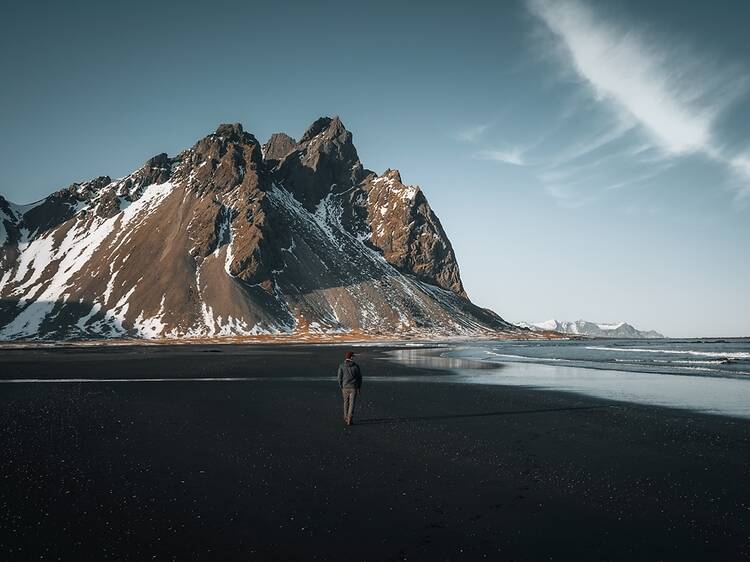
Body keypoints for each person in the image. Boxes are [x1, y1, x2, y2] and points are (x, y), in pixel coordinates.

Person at [337, 351, 362, 426]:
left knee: (346, 402)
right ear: (351, 357)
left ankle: (345, 417)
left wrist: (341, 386)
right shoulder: (356, 366)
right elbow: (359, 378)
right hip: (353, 387)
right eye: (353, 356)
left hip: (345, 387)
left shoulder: (341, 366)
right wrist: (359, 387)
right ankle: (350, 418)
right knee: (352, 403)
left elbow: (339, 378)